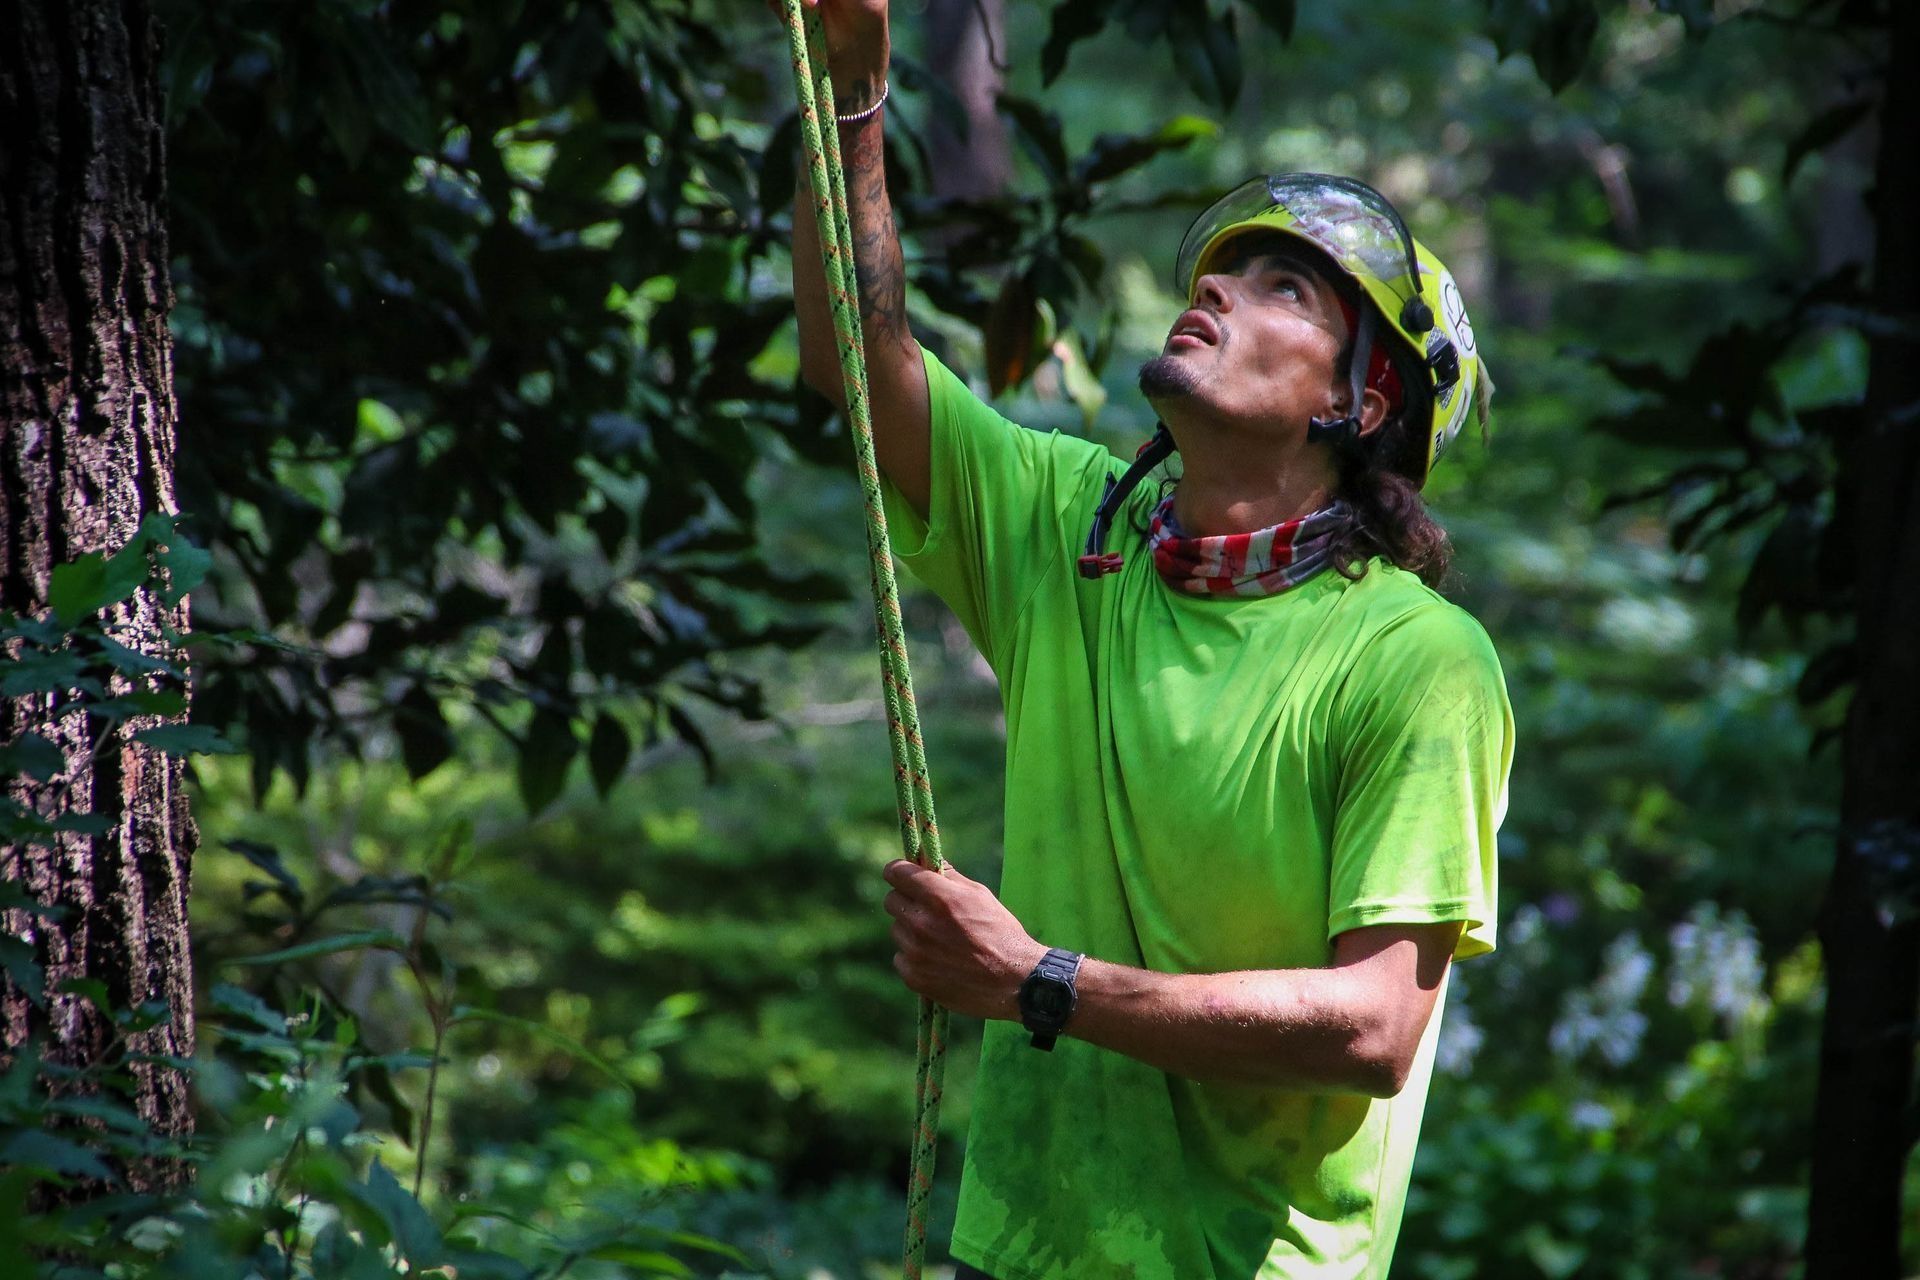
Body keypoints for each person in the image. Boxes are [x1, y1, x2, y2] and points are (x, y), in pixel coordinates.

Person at [789, 3, 1514, 1276]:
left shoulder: (1415, 660)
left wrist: (1039, 980)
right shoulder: (1078, 533)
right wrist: (855, 103)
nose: (1218, 289)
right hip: (1019, 1246)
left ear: (1363, 397)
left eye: (1284, 284)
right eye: (1215, 273)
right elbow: (857, 361)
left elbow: (1373, 1026)